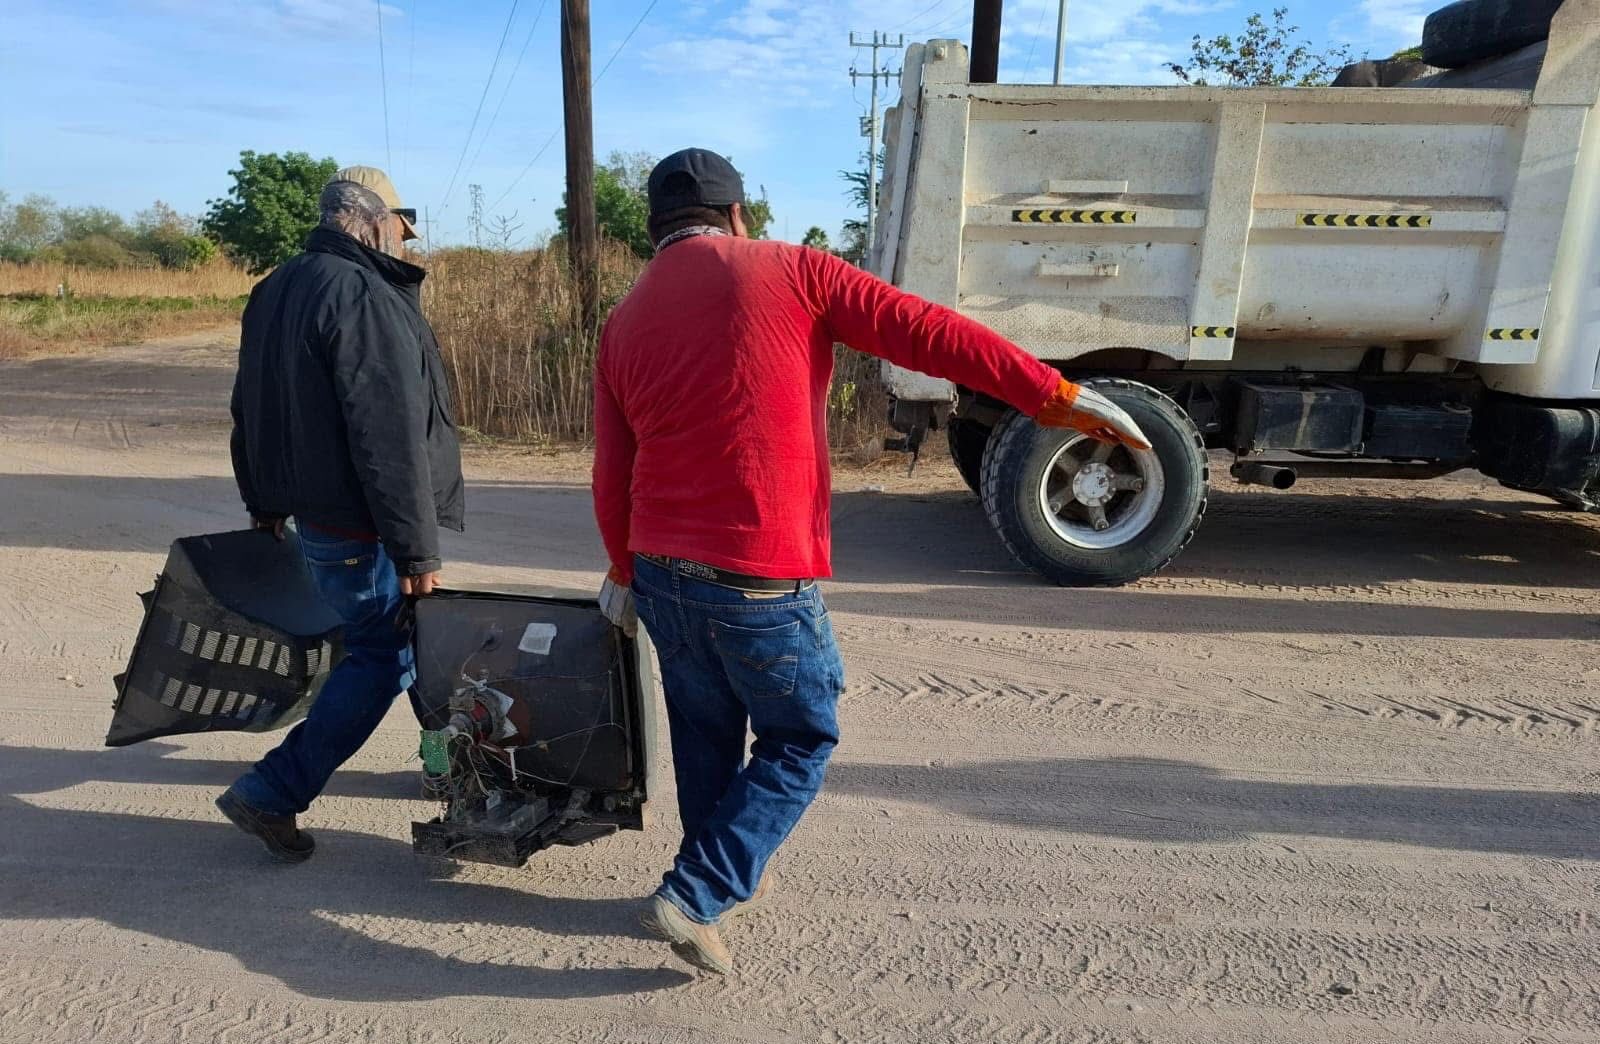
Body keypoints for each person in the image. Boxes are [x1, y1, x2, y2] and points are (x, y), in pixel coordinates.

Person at [591, 148, 1149, 974]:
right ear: (741, 215)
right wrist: (1049, 394)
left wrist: (624, 568)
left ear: (655, 229)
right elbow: (927, 333)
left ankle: (721, 872)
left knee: (706, 732)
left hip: (664, 567)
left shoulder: (625, 318)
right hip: (760, 572)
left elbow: (614, 466)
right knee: (800, 735)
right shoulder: (791, 270)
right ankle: (698, 891)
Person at [217, 165, 463, 862]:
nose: (405, 244)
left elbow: (249, 407)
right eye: (400, 229)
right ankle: (273, 789)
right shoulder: (364, 294)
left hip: (322, 519)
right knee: (382, 656)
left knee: (414, 645)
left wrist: (262, 500)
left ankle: (448, 766)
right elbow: (386, 437)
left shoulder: (277, 289)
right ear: (372, 221)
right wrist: (416, 552)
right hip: (364, 526)